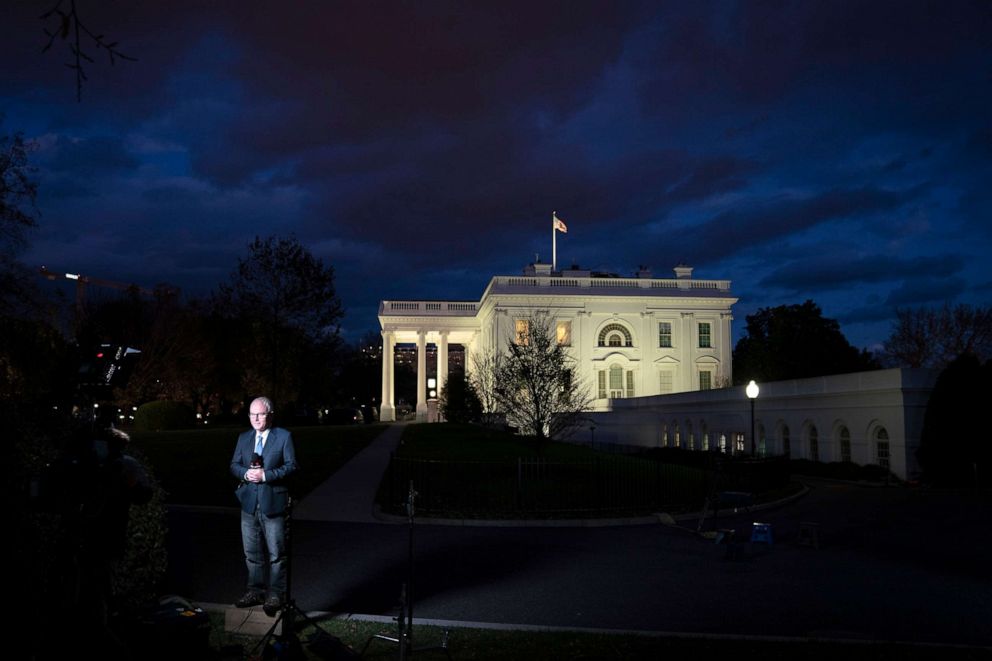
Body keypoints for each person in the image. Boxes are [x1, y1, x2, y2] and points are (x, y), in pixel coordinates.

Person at [230, 396, 298, 615]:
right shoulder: (244, 438)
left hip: (273, 503)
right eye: (252, 414)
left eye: (260, 414)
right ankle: (255, 591)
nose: (256, 418)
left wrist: (266, 475)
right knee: (252, 553)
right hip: (249, 504)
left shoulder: (283, 437)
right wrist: (245, 473)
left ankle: (275, 594)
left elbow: (292, 466)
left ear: (270, 414)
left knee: (276, 553)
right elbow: (234, 465)